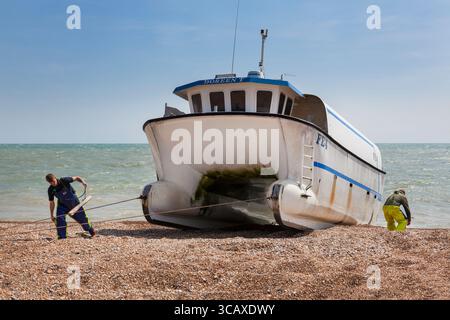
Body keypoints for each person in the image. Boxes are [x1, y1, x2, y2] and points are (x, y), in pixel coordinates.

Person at [46, 173, 95, 239]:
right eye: (51, 183)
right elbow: (52, 202)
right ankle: (62, 237)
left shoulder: (64, 180)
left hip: (74, 203)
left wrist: (83, 182)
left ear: (55, 178)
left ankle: (91, 231)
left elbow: (77, 177)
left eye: (54, 181)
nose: (53, 183)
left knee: (82, 219)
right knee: (60, 220)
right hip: (62, 205)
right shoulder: (51, 190)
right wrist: (51, 215)